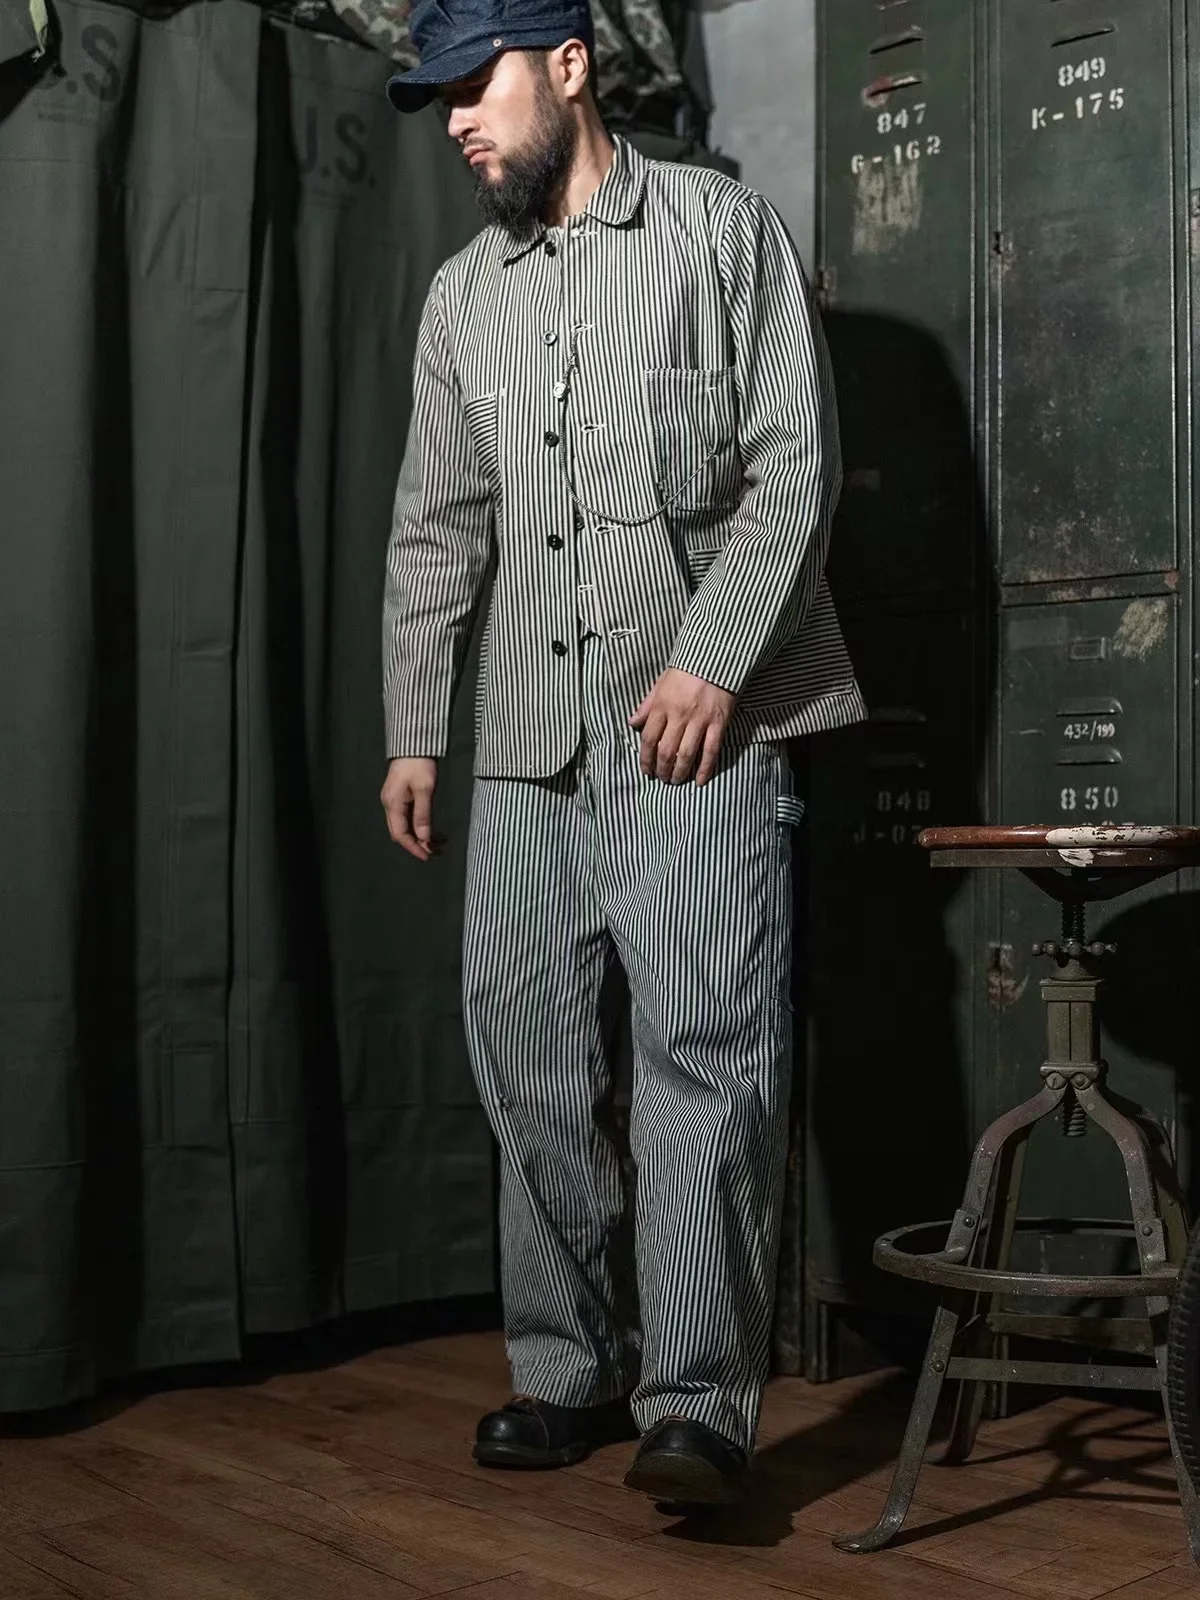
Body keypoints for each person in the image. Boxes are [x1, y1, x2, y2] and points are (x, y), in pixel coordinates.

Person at [380, 0, 864, 1506]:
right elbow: (435, 527)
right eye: (440, 98)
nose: (459, 120)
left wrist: (715, 656)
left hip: (693, 738)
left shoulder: (722, 233)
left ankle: (700, 1407)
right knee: (527, 1069)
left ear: (571, 67)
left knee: (702, 1065)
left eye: (477, 84)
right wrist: (413, 728)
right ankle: (563, 1370)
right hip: (522, 744)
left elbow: (795, 467)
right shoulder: (462, 299)